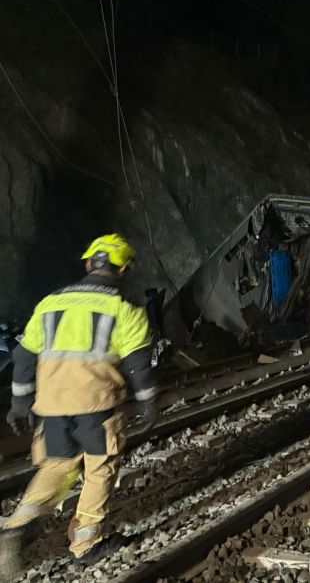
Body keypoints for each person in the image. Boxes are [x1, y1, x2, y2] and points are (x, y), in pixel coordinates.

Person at [0, 234, 159, 572]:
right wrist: (148, 403)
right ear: (121, 269)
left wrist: (19, 403)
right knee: (99, 471)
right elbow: (137, 365)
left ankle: (15, 526)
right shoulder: (123, 308)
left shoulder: (49, 303)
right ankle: (85, 544)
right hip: (96, 405)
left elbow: (24, 355)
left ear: (88, 263)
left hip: (53, 405)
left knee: (57, 466)